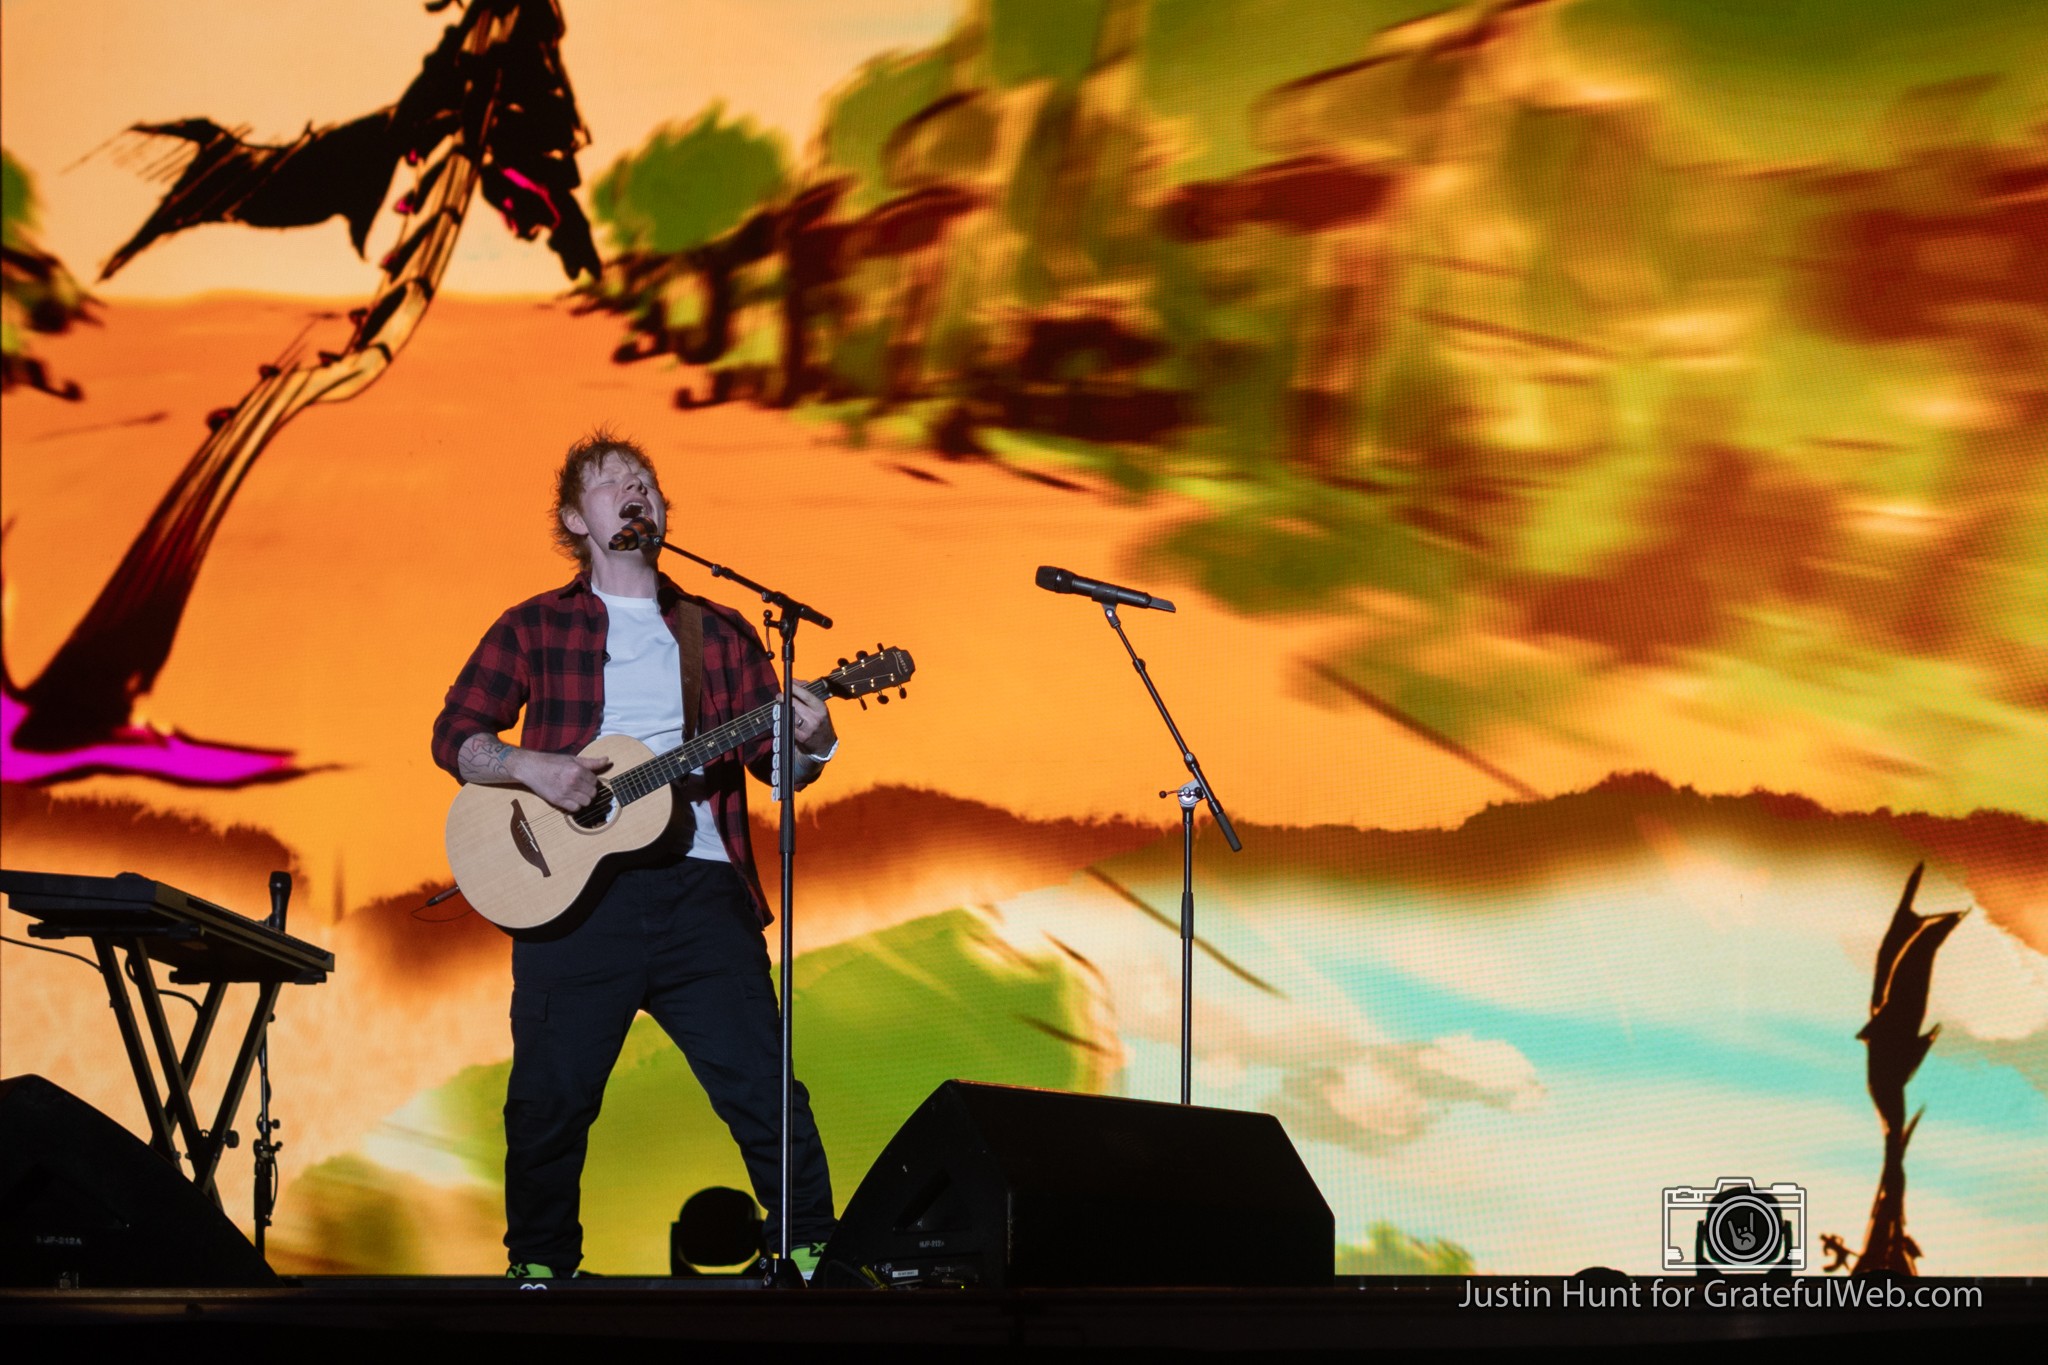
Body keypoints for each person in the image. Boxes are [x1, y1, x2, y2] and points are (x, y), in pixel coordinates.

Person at [431, 427, 838, 1280]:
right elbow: (456, 735)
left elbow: (776, 769)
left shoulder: (718, 630)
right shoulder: (533, 625)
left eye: (645, 479)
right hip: (572, 899)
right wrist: (531, 767)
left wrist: (812, 741)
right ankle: (541, 1267)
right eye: (611, 480)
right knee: (550, 1097)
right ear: (575, 519)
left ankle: (809, 1249)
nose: (634, 489)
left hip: (702, 892)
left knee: (763, 1084)